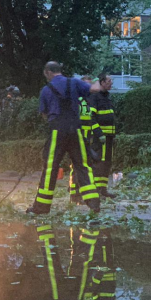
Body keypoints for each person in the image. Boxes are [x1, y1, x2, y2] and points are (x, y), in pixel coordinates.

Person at [27, 62, 101, 215]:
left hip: (57, 131)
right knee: (83, 165)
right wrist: (99, 79)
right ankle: (94, 204)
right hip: (76, 130)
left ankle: (41, 208)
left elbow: (44, 115)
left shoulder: (46, 90)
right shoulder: (74, 82)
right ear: (60, 70)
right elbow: (95, 89)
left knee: (50, 168)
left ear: (47, 72)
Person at [69, 76, 106, 204]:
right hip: (78, 136)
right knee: (77, 166)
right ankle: (75, 194)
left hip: (86, 137)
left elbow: (90, 120)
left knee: (85, 165)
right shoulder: (77, 100)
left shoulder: (88, 100)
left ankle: (81, 194)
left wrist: (97, 134)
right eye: (86, 85)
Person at [90, 73, 117, 198]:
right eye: (109, 80)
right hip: (101, 138)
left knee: (107, 163)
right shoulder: (95, 97)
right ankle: (96, 190)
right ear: (101, 82)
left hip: (109, 137)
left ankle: (103, 189)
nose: (111, 82)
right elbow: (91, 118)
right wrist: (99, 133)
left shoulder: (107, 97)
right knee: (98, 163)